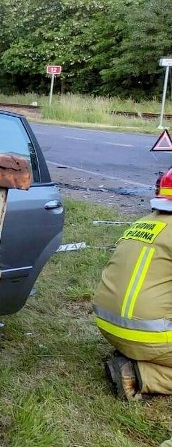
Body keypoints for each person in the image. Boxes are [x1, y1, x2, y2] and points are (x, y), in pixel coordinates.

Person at [92, 166, 172, 402]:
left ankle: (137, 357)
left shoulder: (143, 223)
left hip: (109, 326)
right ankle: (138, 374)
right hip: (150, 337)